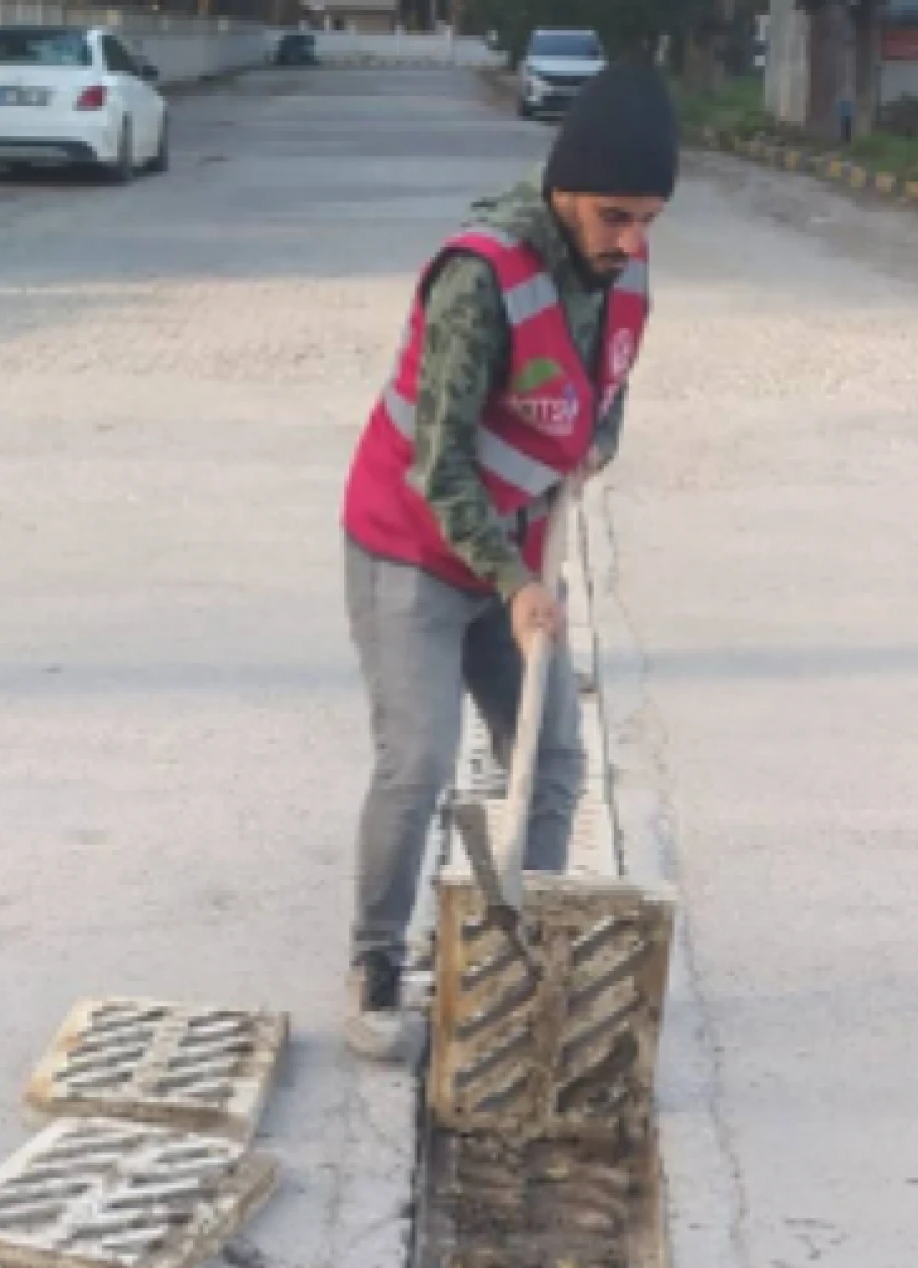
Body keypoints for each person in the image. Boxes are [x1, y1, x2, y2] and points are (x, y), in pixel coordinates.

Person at [340, 63, 678, 1061]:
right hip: (410, 545)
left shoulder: (624, 266)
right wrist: (515, 582)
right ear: (562, 189)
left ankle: (511, 951)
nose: (632, 241)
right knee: (420, 762)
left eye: (648, 220)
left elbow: (605, 380)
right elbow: (436, 466)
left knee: (554, 760)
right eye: (614, 217)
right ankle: (373, 961)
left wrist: (598, 439)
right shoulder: (478, 278)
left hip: (512, 552)